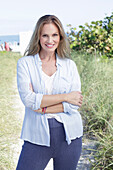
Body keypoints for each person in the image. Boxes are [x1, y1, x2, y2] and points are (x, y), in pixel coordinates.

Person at [16, 15, 83, 170]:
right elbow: (28, 100)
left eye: (54, 35)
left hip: (70, 138)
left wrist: (42, 107)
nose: (50, 40)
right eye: (45, 35)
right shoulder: (25, 64)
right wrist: (66, 97)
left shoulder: (69, 65)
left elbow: (75, 104)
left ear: (60, 37)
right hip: (36, 138)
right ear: (38, 37)